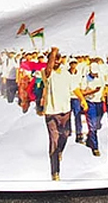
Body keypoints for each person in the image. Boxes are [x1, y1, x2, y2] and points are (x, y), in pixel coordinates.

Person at [41, 47, 73, 181]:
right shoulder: (46, 72)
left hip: (65, 111)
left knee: (65, 135)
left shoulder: (66, 74)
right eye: (53, 60)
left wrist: (82, 99)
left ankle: (60, 151)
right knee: (54, 141)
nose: (56, 62)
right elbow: (48, 70)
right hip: (51, 112)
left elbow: (74, 88)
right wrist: (53, 52)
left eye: (57, 59)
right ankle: (55, 172)